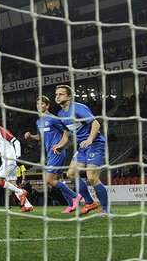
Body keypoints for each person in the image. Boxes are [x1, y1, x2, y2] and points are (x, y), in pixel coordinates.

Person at [54, 84, 110, 215]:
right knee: (71, 174)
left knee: (92, 177)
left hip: (95, 144)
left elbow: (95, 123)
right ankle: (90, 203)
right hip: (82, 147)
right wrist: (60, 145)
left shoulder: (78, 108)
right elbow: (67, 133)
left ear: (69, 97)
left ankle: (107, 210)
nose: (57, 96)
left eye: (60, 94)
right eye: (56, 94)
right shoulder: (61, 114)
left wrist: (90, 139)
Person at [23, 95, 79, 213]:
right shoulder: (39, 121)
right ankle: (71, 205)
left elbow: (66, 130)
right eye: (37, 104)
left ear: (47, 105)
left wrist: (60, 144)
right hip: (50, 153)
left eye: (42, 104)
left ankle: (75, 196)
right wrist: (31, 136)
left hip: (56, 152)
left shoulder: (53, 118)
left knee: (48, 180)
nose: (39, 106)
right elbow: (40, 136)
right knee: (58, 180)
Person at [0, 112, 34, 213]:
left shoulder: (2, 130)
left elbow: (16, 141)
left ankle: (21, 192)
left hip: (10, 160)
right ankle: (28, 205)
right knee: (13, 184)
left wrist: (17, 155)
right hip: (6, 161)